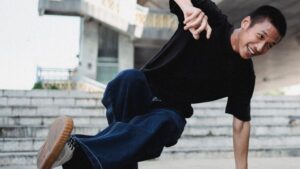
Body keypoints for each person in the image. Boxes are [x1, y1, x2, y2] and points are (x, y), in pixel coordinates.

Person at [37, 0, 287, 169]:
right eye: (261, 37)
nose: (260, 47)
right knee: (127, 79)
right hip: (143, 89)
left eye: (269, 46)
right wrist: (189, 8)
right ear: (246, 24)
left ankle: (74, 150)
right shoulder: (211, 19)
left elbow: (241, 124)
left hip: (172, 111)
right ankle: (98, 159)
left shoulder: (244, 76)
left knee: (163, 121)